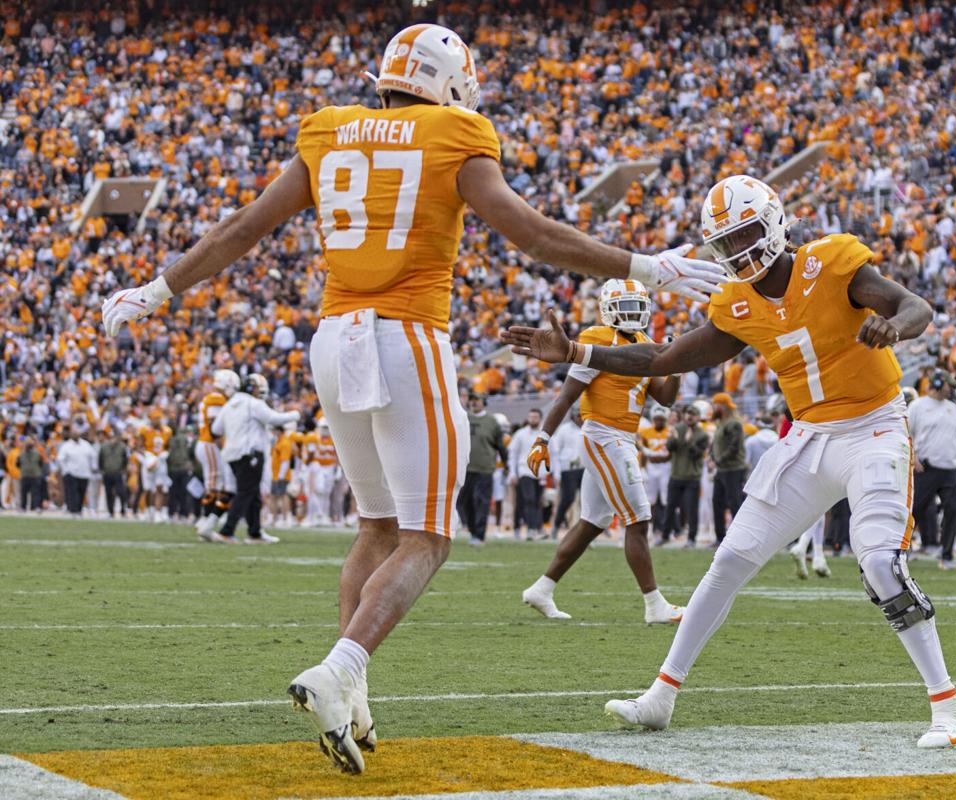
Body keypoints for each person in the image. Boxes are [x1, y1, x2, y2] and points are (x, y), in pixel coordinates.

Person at [101, 22, 724, 775]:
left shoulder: (329, 130)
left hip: (333, 338)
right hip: (405, 338)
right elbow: (528, 233)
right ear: (448, 81)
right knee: (428, 536)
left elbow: (242, 230)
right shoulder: (454, 131)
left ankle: (353, 697)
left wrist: (156, 289)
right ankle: (338, 672)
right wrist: (642, 265)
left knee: (376, 524)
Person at [503, 175, 956, 748]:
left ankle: (950, 709)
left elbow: (914, 305)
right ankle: (661, 696)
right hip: (808, 436)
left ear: (774, 223)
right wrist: (580, 352)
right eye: (726, 244)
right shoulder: (737, 301)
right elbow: (664, 356)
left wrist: (893, 325)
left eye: (746, 235)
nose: (739, 252)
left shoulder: (830, 262)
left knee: (879, 563)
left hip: (874, 427)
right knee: (729, 559)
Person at [520, 279, 684, 623]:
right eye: (624, 306)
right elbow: (566, 396)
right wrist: (543, 439)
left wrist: (676, 365)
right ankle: (655, 605)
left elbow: (665, 398)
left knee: (593, 522)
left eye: (636, 306)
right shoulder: (596, 340)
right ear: (608, 309)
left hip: (623, 438)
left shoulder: (644, 343)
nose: (631, 313)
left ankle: (542, 589)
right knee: (638, 519)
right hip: (603, 436)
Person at [213, 374, 299, 544]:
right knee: (245, 493)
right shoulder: (253, 403)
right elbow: (273, 418)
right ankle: (227, 530)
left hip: (231, 455)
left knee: (252, 494)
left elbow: (216, 429)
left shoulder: (230, 404)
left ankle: (255, 532)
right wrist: (295, 414)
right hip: (250, 454)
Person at [908, 372, 956, 566]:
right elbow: (906, 435)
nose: (951, 389)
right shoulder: (917, 406)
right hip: (926, 468)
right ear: (936, 384)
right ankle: (903, 549)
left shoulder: (953, 408)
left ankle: (946, 554)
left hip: (950, 468)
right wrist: (913, 459)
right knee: (915, 509)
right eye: (947, 385)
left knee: (953, 510)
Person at [195, 370, 240, 540]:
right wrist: (225, 448)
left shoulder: (214, 397)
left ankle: (205, 521)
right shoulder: (216, 398)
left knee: (213, 483)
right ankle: (205, 521)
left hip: (206, 443)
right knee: (214, 483)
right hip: (210, 443)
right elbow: (215, 429)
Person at [458, 392, 506, 544]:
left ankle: (479, 534)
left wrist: (506, 464)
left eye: (477, 400)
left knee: (481, 501)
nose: (474, 403)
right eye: (471, 400)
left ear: (484, 402)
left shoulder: (492, 421)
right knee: (464, 502)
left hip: (485, 468)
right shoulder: (463, 418)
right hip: (465, 468)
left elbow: (500, 446)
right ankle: (472, 531)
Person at [663, 404, 709, 546]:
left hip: (691, 477)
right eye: (688, 414)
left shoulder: (702, 434)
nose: (689, 417)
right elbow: (669, 448)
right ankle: (665, 536)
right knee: (670, 507)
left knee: (691, 509)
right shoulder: (677, 429)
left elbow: (696, 455)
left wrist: (690, 442)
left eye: (693, 414)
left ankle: (691, 538)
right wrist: (673, 439)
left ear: (697, 417)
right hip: (676, 475)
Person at [709, 392, 747, 546]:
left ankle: (737, 539)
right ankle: (720, 538)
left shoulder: (734, 424)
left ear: (723, 406)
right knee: (717, 503)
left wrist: (717, 460)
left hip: (733, 470)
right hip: (722, 470)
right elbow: (716, 445)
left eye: (716, 404)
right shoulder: (721, 424)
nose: (713, 407)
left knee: (734, 503)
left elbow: (733, 448)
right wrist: (712, 457)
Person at [508, 408, 546, 540]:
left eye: (535, 417)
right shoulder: (520, 434)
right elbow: (513, 454)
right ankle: (531, 529)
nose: (533, 419)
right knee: (528, 499)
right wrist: (513, 473)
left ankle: (536, 527)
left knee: (537, 501)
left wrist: (553, 473)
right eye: (531, 417)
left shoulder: (545, 434)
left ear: (540, 418)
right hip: (524, 471)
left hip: (540, 473)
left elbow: (553, 454)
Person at [549, 406, 585, 539]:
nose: (581, 419)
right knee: (568, 498)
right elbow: (555, 452)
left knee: (588, 500)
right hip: (568, 469)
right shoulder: (564, 430)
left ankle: (588, 530)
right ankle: (556, 525)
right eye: (578, 416)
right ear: (573, 416)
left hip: (585, 468)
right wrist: (556, 472)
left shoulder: (588, 428)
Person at [639, 407, 672, 538]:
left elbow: (671, 453)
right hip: (652, 467)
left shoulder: (670, 432)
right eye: (657, 419)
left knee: (665, 499)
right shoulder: (646, 432)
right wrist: (642, 467)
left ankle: (665, 528)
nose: (659, 421)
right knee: (650, 500)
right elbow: (644, 452)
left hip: (666, 467)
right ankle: (651, 528)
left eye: (661, 419)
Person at [138, 409, 173, 523]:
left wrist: (165, 454)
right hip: (149, 459)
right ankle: (149, 510)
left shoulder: (167, 431)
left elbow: (169, 446)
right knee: (148, 489)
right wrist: (147, 458)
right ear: (151, 419)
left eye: (159, 418)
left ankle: (158, 513)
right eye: (155, 418)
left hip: (161, 461)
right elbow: (138, 446)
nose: (157, 420)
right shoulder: (144, 430)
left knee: (159, 487)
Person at [56, 429, 96, 517]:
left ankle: (79, 510)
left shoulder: (85, 445)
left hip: (84, 473)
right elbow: (60, 459)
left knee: (82, 492)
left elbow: (92, 456)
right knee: (73, 493)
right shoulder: (66, 446)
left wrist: (93, 467)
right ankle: (73, 511)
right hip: (71, 473)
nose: (75, 434)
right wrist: (66, 471)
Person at [98, 428, 130, 517]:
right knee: (108, 493)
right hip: (107, 472)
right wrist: (102, 470)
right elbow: (100, 459)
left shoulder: (122, 447)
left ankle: (123, 509)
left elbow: (125, 459)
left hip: (117, 472)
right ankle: (110, 511)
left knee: (121, 492)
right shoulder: (104, 447)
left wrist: (123, 469)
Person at [17, 437, 46, 512]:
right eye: (27, 443)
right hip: (25, 475)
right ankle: (23, 507)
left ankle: (36, 507)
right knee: (24, 492)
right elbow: (17, 464)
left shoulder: (37, 453)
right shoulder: (21, 453)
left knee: (36, 492)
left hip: (35, 475)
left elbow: (41, 463)